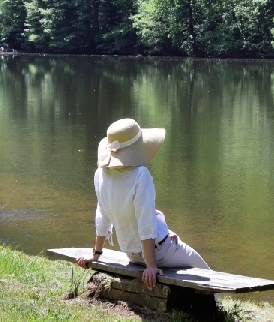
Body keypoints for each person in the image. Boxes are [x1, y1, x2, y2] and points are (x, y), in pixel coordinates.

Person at [75, 118, 209, 289]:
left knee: (170, 235)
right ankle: (221, 306)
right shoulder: (140, 175)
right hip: (157, 253)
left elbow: (102, 216)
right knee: (206, 272)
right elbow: (145, 222)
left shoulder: (100, 174)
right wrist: (151, 266)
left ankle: (168, 236)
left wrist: (96, 254)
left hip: (131, 254)